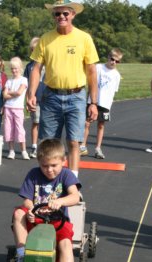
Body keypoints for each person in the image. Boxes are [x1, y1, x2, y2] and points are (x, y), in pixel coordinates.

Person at [26, 0, 99, 177]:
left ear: (73, 14)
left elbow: (91, 72)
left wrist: (93, 102)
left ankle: (72, 182)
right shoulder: (46, 38)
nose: (61, 17)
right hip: (51, 96)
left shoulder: (84, 38)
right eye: (57, 14)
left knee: (74, 142)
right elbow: (36, 69)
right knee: (49, 143)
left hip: (77, 96)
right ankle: (49, 183)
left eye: (65, 13)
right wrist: (31, 94)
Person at [11, 138, 81, 262]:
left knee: (65, 243)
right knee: (18, 213)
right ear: (39, 163)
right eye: (45, 166)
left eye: (53, 166)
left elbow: (75, 196)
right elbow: (26, 200)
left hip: (58, 221)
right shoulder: (33, 174)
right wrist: (31, 209)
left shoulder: (66, 175)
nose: (49, 170)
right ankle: (22, 256)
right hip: (37, 219)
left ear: (63, 161)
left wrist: (60, 201)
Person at [80, 48, 122, 160]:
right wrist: (89, 99)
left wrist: (109, 105)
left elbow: (113, 91)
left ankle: (98, 148)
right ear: (108, 57)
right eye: (112, 59)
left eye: (117, 61)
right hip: (93, 101)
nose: (114, 62)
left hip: (105, 104)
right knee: (87, 123)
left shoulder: (116, 75)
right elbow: (90, 83)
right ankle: (82, 146)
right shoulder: (98, 68)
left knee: (101, 125)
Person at [3, 56, 29, 160]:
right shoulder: (9, 81)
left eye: (16, 68)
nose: (14, 70)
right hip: (8, 108)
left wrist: (9, 92)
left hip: (18, 108)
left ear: (20, 68)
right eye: (12, 68)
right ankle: (11, 150)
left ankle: (23, 151)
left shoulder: (24, 80)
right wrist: (11, 93)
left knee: (20, 129)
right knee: (8, 129)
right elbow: (4, 96)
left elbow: (19, 92)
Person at [24, 37, 44, 158]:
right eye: (32, 50)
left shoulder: (47, 64)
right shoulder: (29, 66)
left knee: (46, 124)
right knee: (35, 122)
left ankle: (44, 146)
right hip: (34, 99)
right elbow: (26, 84)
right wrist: (27, 99)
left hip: (47, 98)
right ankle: (34, 146)